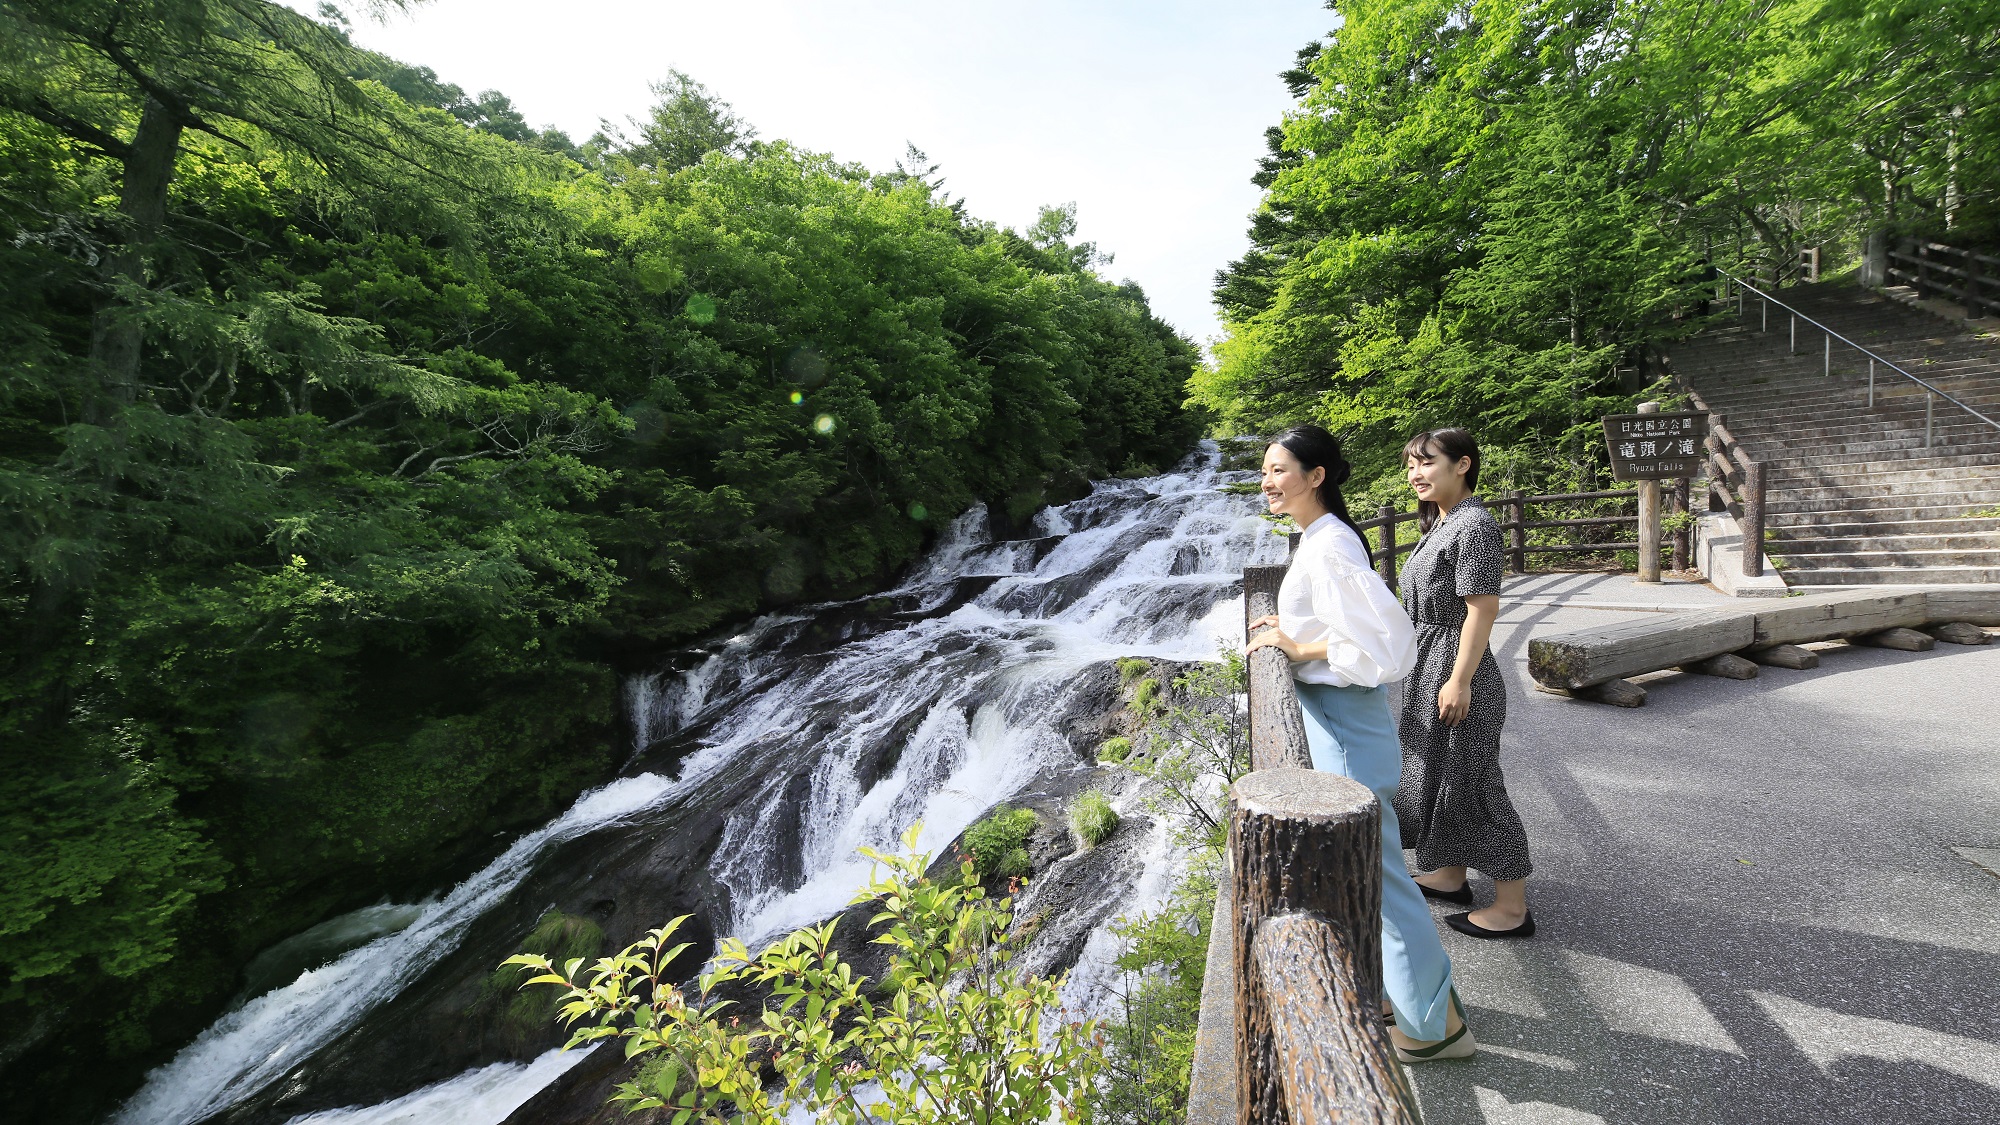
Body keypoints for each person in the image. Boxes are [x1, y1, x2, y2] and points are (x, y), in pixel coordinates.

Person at [1245, 425, 1474, 1062]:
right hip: (1337, 719)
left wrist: (1295, 646)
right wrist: (1288, 625)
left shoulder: (1332, 546)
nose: (1268, 481)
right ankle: (1404, 999)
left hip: (1347, 723)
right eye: (1265, 470)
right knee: (1369, 868)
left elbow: (1383, 643)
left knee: (1381, 875)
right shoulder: (1317, 540)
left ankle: (1437, 1028)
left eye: (1279, 470)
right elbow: (1335, 621)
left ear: (1316, 476)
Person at [1396, 427, 1534, 939]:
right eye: (1411, 465)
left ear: (1463, 465)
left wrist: (1460, 680)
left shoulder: (1474, 525)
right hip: (1429, 663)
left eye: (1427, 462)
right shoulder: (1442, 523)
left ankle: (1512, 906)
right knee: (1439, 775)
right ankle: (1449, 875)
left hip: (1457, 669)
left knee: (1474, 783)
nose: (1415, 474)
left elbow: (1482, 608)